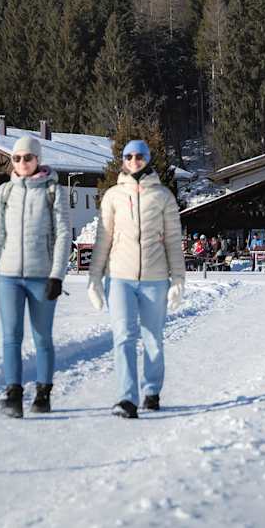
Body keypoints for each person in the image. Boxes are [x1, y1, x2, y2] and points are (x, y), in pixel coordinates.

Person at [87, 140, 185, 419]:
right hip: (119, 278)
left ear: (147, 158)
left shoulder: (164, 196)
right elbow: (102, 240)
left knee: (153, 338)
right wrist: (94, 278)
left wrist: (178, 280)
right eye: (128, 156)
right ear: (123, 160)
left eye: (139, 155)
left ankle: (151, 391)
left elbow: (174, 242)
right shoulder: (113, 196)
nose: (133, 160)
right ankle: (126, 398)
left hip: (155, 279)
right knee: (123, 337)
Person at [0, 135, 70, 418]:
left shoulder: (53, 191)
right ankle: (13, 395)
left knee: (42, 337)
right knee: (11, 337)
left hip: (41, 276)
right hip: (8, 277)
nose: (22, 163)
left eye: (28, 157)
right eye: (17, 158)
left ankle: (43, 395)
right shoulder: (6, 192)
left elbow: (63, 235)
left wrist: (57, 275)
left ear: (38, 159)